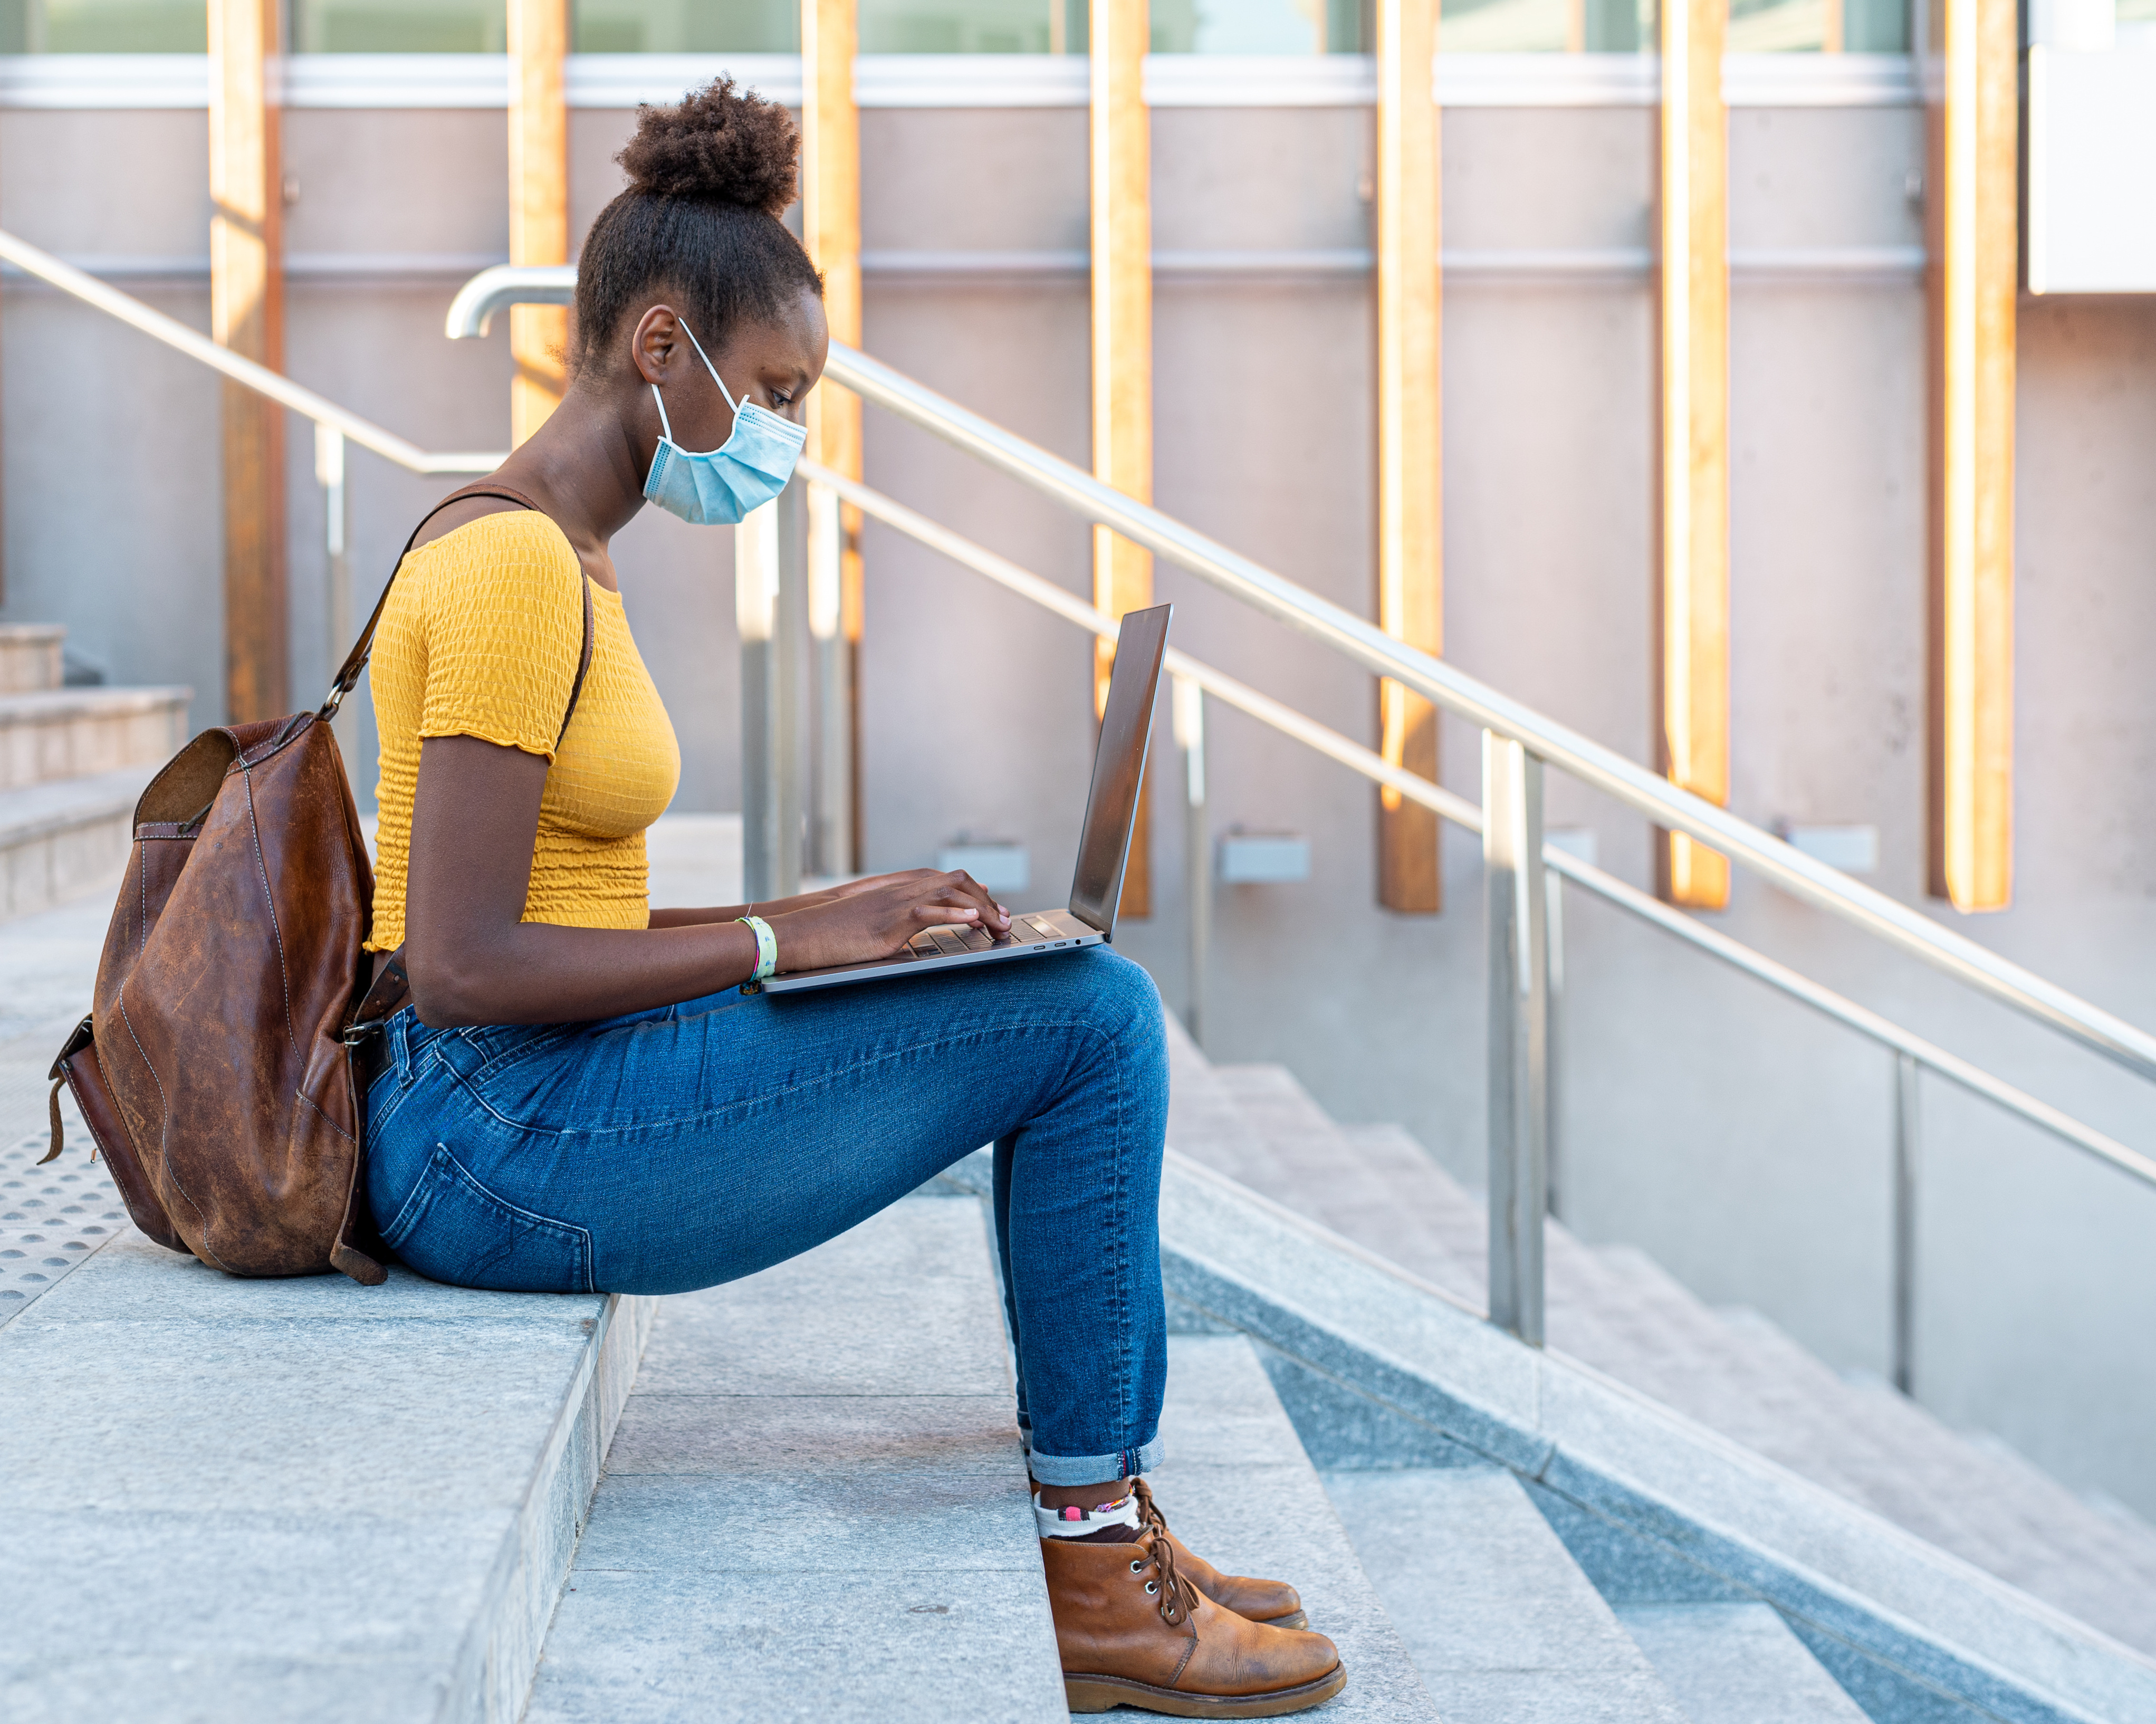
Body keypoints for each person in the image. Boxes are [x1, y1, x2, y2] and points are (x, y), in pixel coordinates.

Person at [359, 80, 1346, 1717]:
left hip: (530, 1102)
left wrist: (842, 911)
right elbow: (460, 966)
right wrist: (781, 940)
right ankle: (1100, 1556)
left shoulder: (568, 557)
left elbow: (565, 911)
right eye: (775, 391)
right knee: (1092, 1020)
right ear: (659, 345)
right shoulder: (508, 568)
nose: (789, 439)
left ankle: (1110, 1531)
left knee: (1061, 998)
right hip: (491, 1139)